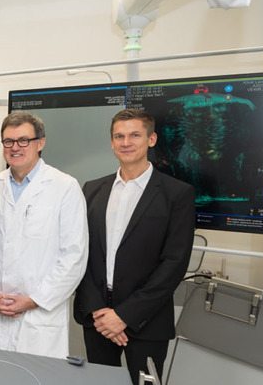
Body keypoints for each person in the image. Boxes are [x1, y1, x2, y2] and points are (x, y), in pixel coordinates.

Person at [75, 108, 195, 383]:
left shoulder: (177, 194)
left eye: (134, 135)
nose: (126, 142)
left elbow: (174, 264)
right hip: (97, 319)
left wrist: (124, 316)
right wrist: (99, 312)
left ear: (151, 140)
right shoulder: (91, 190)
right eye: (119, 136)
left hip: (147, 321)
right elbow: (80, 253)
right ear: (111, 142)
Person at [0, 112, 88, 358]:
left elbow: (74, 256)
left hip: (40, 316)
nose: (15, 147)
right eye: (8, 141)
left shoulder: (65, 187)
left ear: (40, 143)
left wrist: (34, 300)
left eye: (23, 140)